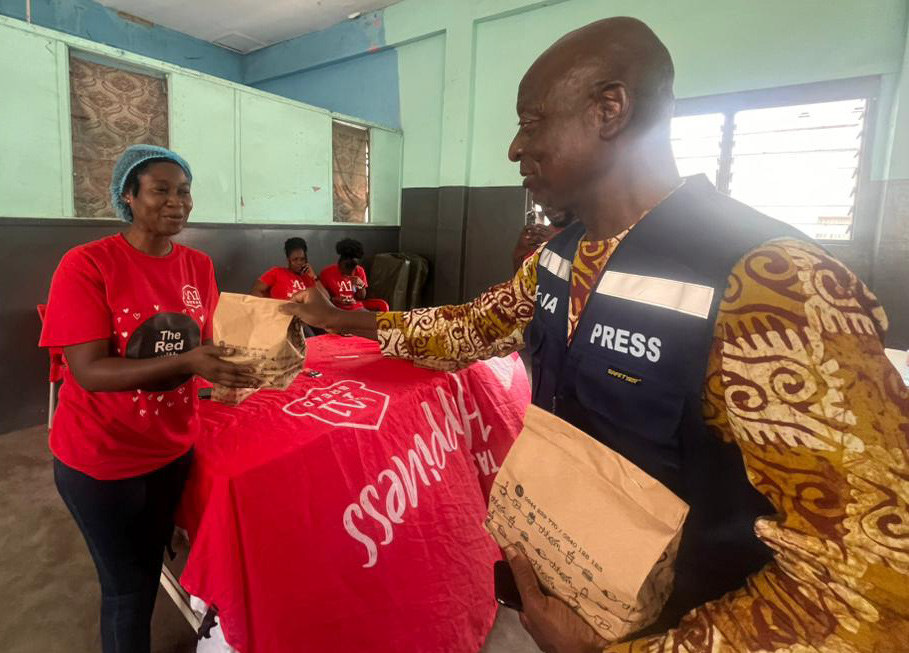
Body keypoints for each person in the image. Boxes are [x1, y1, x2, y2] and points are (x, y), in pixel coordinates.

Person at [286, 17, 909, 653]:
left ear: (609, 110)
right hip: (564, 599)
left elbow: (870, 580)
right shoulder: (559, 257)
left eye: (531, 123)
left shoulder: (774, 283)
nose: (513, 149)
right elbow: (469, 327)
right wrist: (344, 320)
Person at [39, 145, 257, 653]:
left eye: (184, 190)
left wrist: (238, 363)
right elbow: (89, 372)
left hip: (172, 450)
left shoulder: (198, 266)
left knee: (153, 553)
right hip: (101, 458)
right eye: (160, 190)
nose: (177, 201)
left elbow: (200, 343)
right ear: (128, 197)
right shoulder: (87, 264)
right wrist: (188, 364)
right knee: (128, 591)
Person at [512, 205, 576, 272]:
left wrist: (554, 247)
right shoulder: (545, 233)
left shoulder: (584, 234)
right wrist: (521, 251)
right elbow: (521, 278)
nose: (548, 207)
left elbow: (578, 277)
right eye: (543, 202)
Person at [252, 237, 318, 299]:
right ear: (288, 260)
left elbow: (325, 299)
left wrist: (314, 277)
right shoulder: (277, 272)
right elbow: (256, 291)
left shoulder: (309, 277)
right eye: (295, 259)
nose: (299, 263)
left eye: (302, 259)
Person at [319, 238, 371, 311]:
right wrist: (334, 299)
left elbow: (362, 297)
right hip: (335, 310)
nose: (350, 274)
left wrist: (361, 286)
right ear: (340, 263)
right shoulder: (326, 273)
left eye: (353, 268)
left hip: (356, 309)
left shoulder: (359, 271)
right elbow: (321, 298)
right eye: (347, 269)